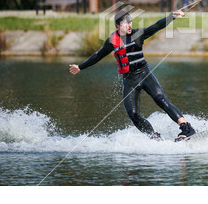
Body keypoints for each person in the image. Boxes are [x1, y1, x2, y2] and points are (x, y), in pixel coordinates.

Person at [69, 10, 196, 142]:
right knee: (134, 115)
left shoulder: (137, 34)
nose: (129, 25)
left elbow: (156, 26)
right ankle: (154, 137)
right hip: (129, 80)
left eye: (130, 22)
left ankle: (187, 128)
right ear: (117, 26)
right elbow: (97, 56)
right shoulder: (112, 41)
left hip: (144, 74)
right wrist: (80, 67)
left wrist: (171, 17)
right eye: (125, 23)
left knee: (161, 100)